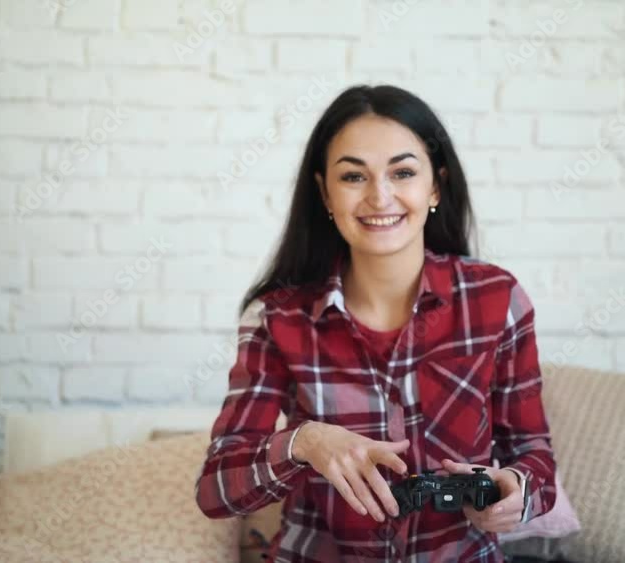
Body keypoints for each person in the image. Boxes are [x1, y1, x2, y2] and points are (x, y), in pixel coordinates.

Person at [195, 84, 556, 562]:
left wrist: (515, 491)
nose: (379, 196)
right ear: (325, 192)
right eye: (353, 177)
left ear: (435, 186)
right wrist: (305, 442)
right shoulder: (275, 319)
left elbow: (535, 459)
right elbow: (217, 490)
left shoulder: (497, 300)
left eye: (402, 172)